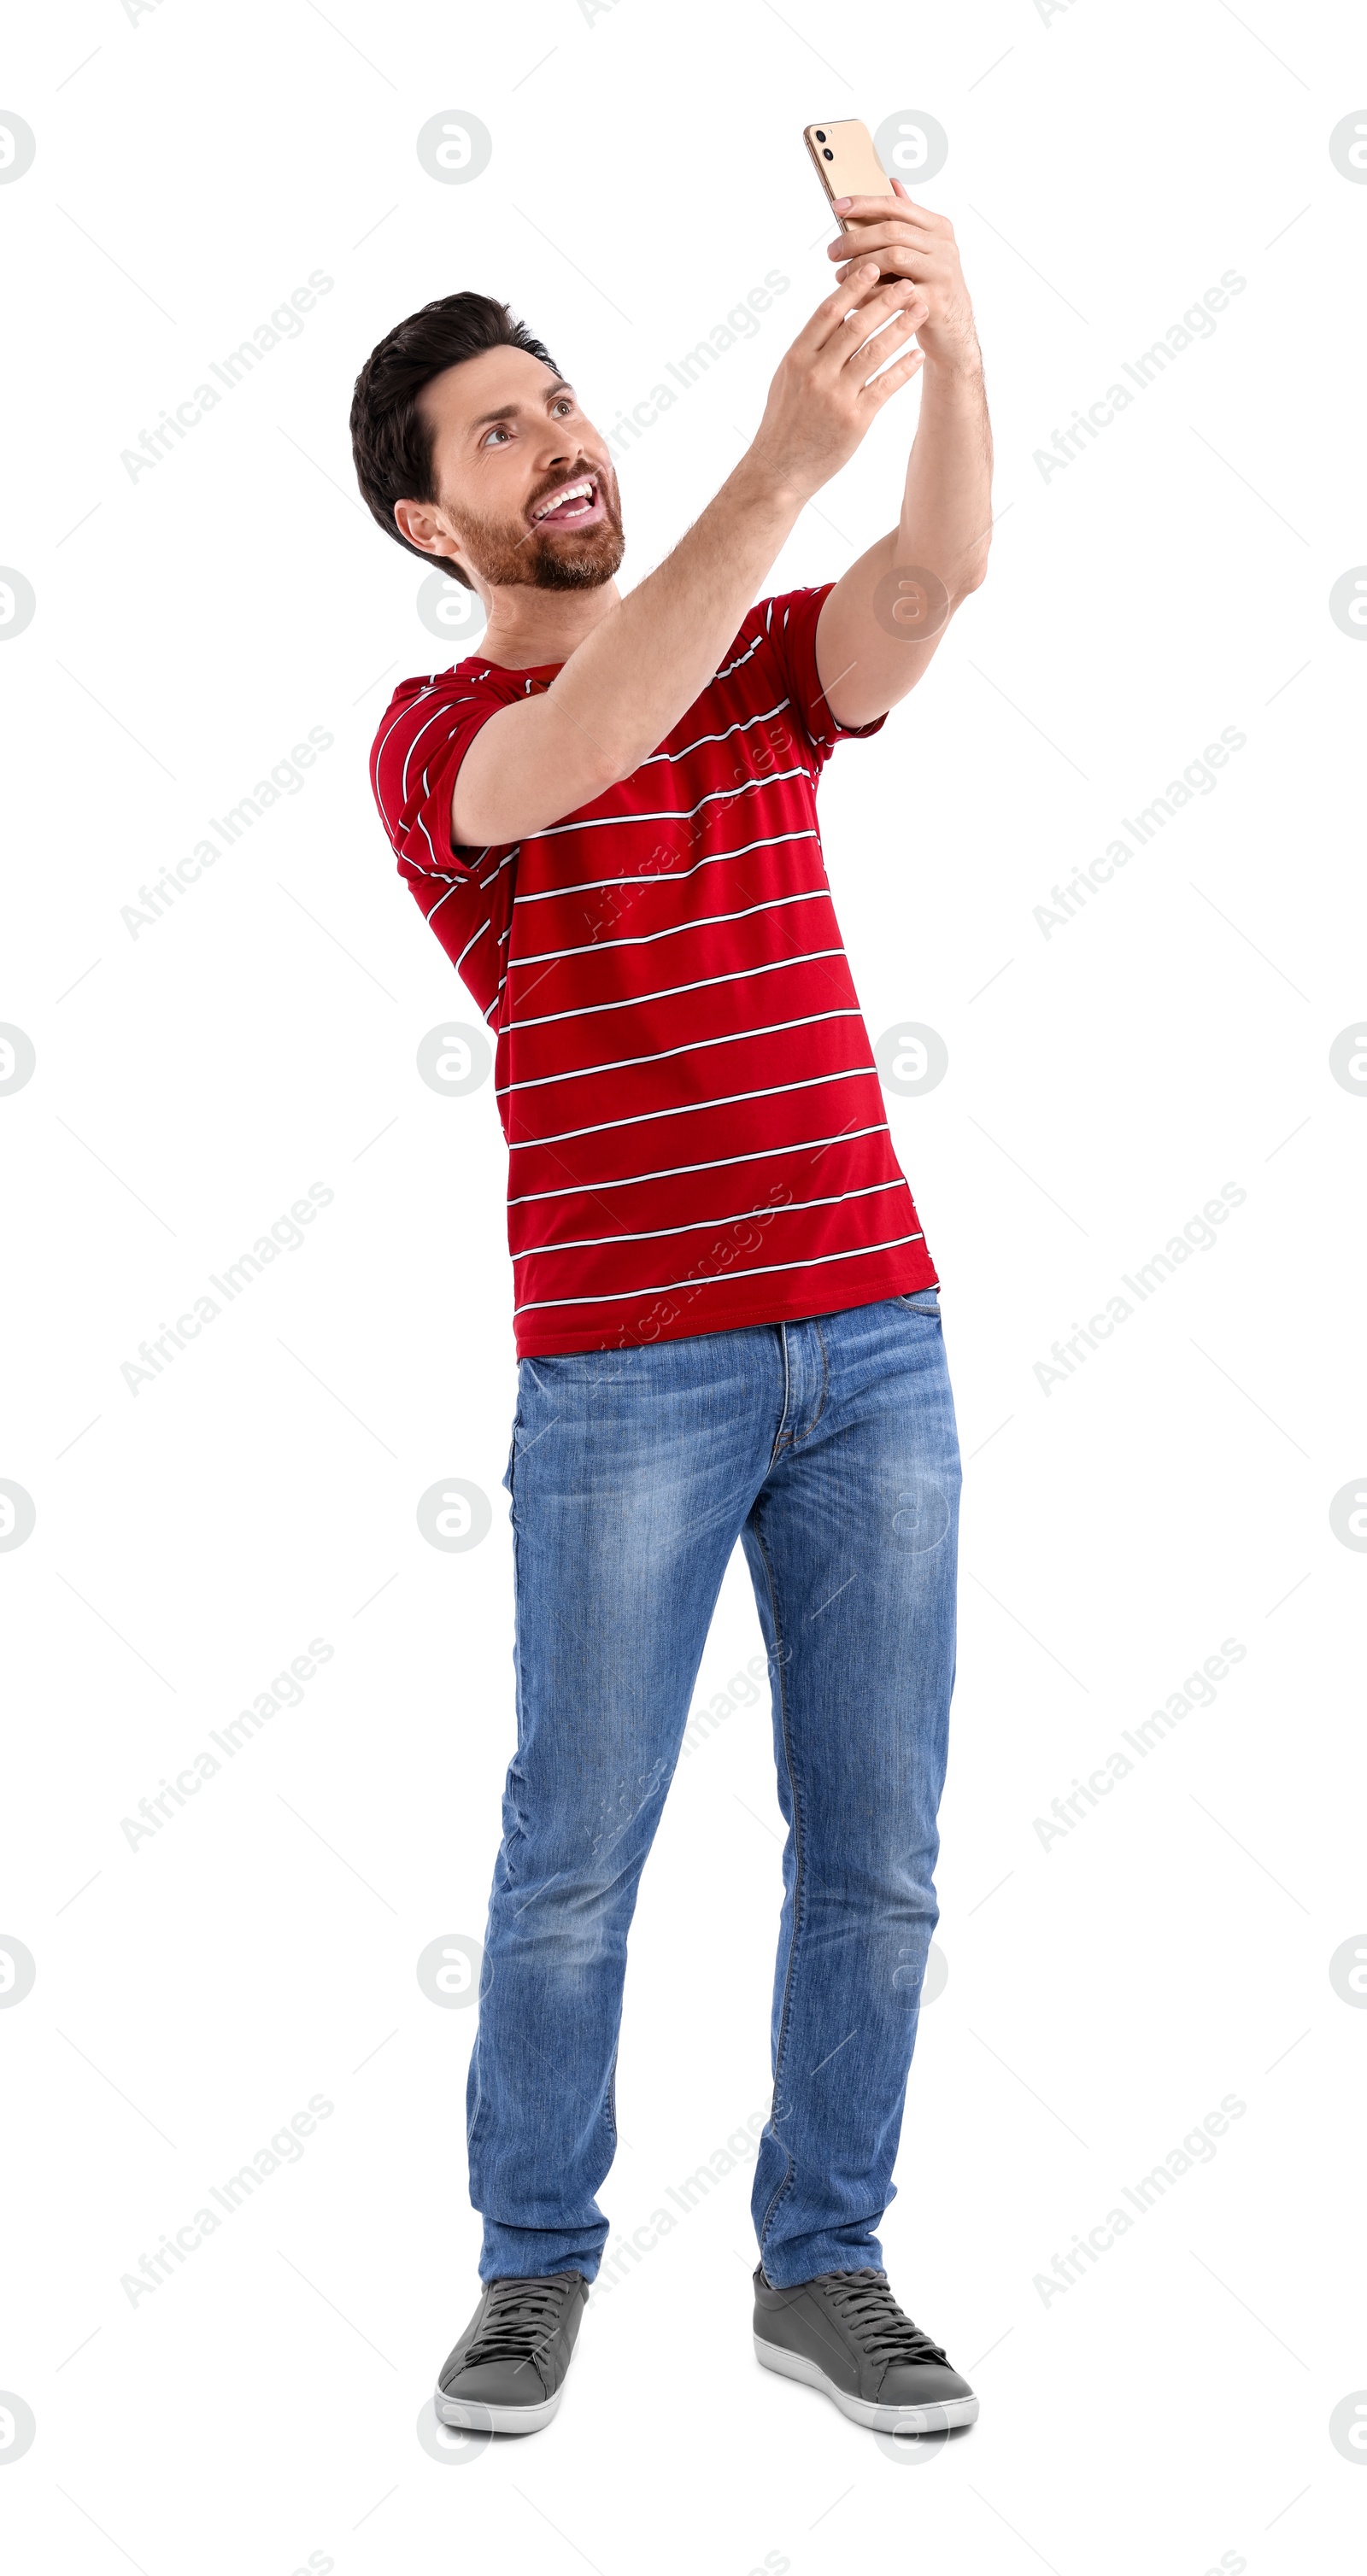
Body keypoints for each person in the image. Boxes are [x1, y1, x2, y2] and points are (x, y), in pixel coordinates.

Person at [351, 179, 993, 2438]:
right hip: (627, 1380)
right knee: (572, 1860)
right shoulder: (439, 748)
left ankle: (827, 2260)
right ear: (435, 525)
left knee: (882, 1852)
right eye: (499, 438)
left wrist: (949, 332)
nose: (556, 445)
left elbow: (932, 584)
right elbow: (577, 744)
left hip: (876, 1345)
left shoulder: (750, 654)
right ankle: (534, 2265)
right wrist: (780, 464)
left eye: (558, 402)